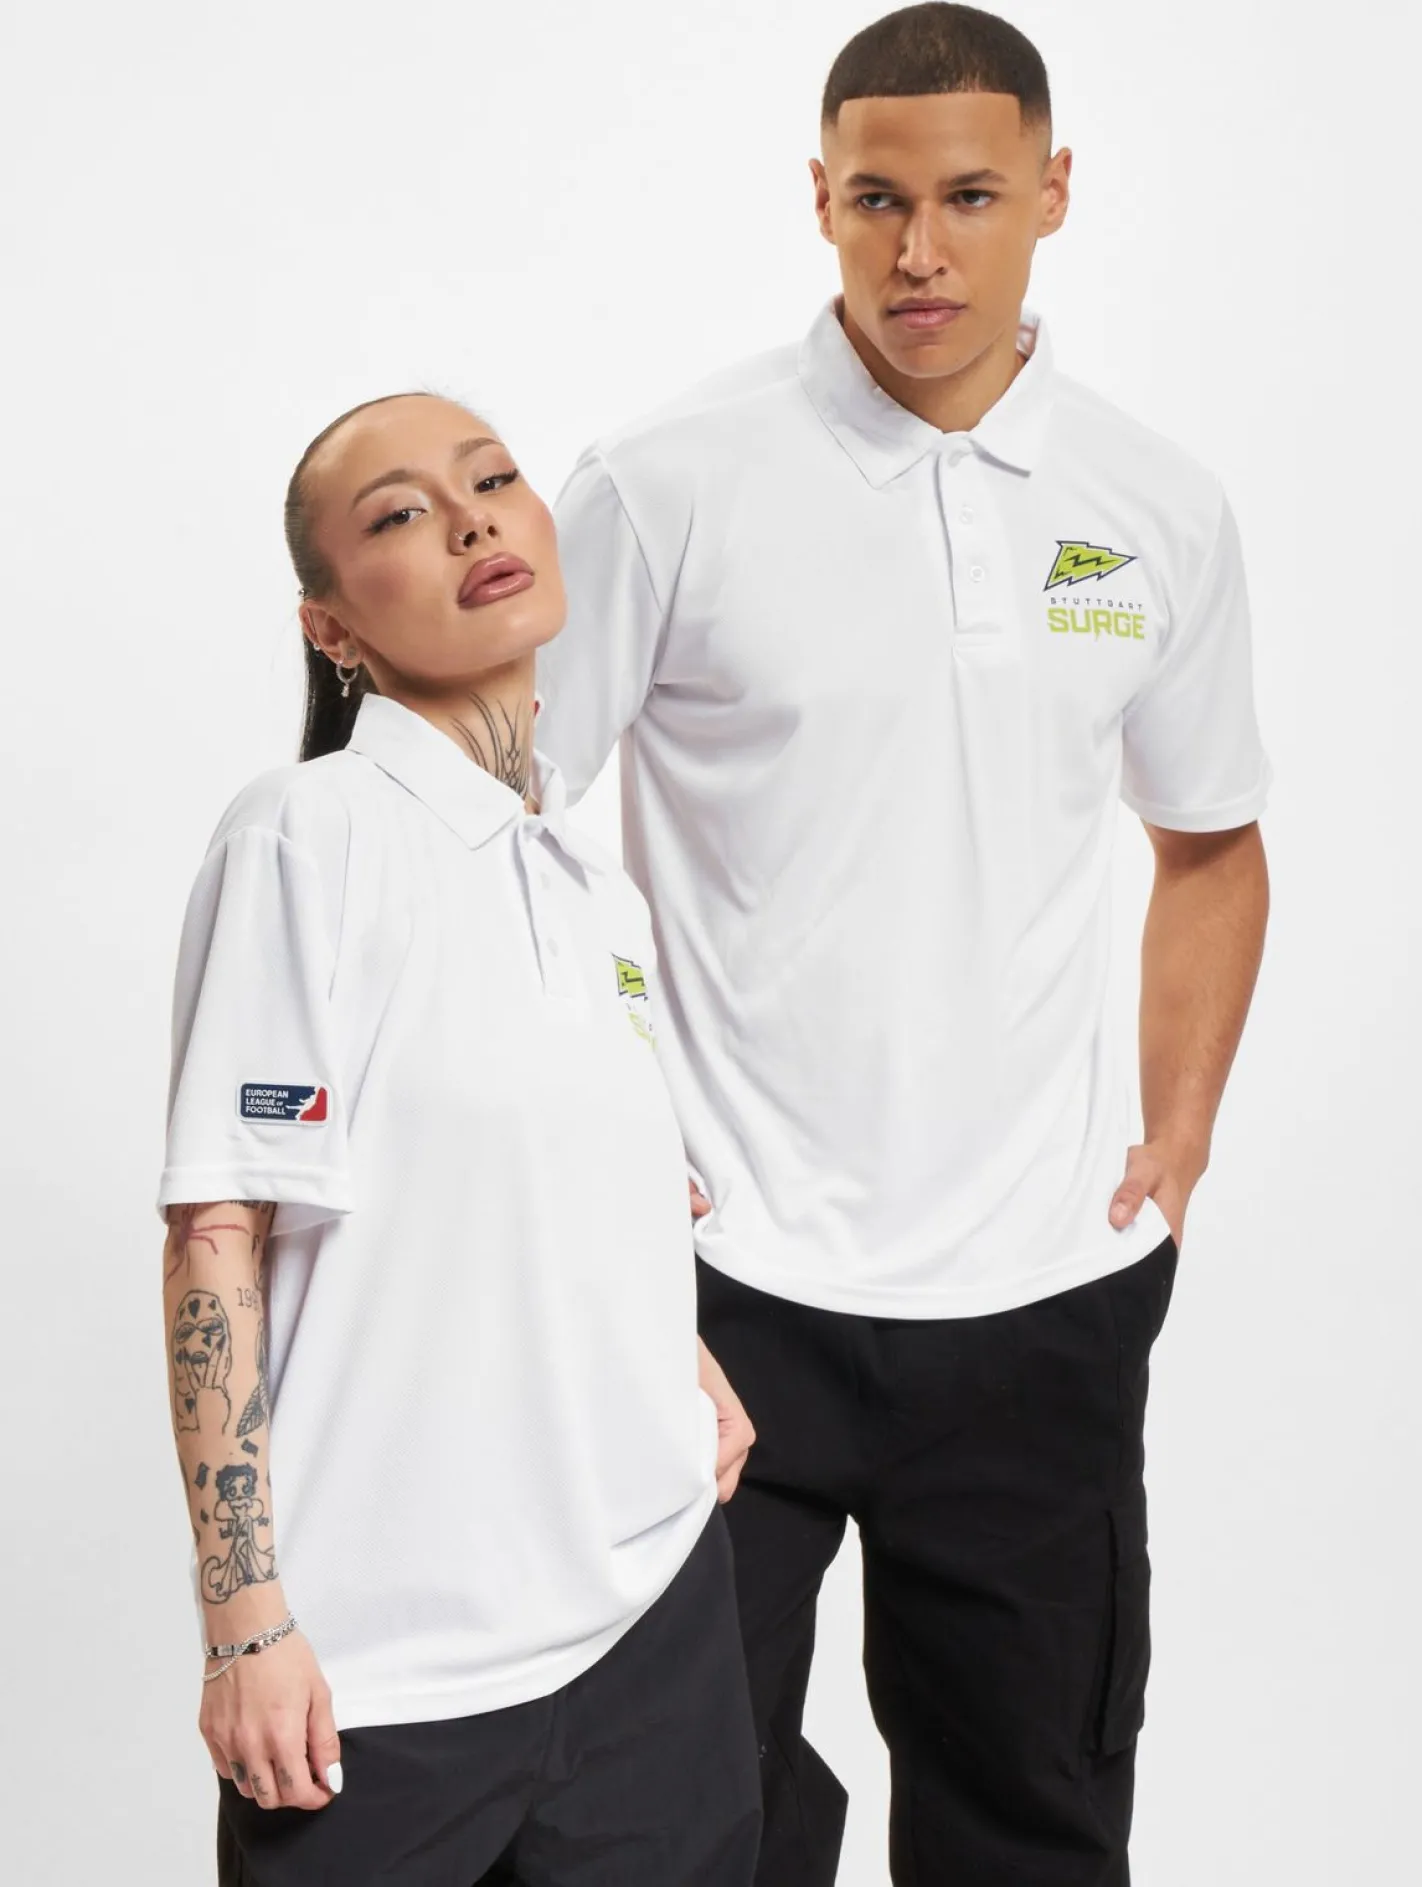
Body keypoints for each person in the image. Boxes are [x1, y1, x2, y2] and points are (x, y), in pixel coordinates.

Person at [537, 5, 1271, 1882]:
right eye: (876, 200)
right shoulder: (664, 479)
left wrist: (1177, 1141)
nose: (919, 251)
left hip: (1041, 1297)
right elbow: (490, 830)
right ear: (819, 199)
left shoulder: (1153, 506)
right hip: (718, 1294)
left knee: (1033, 1826)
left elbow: (1208, 842)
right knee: (681, 1833)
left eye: (967, 198)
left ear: (1052, 190)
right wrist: (605, 1136)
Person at [159, 391, 762, 1887]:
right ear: (330, 628)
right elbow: (219, 1231)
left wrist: (672, 1362)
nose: (472, 518)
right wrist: (244, 1624)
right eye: (401, 513)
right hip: (384, 1683)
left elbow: (539, 1188)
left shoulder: (591, 889)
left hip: (654, 1631)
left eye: (491, 479)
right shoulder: (305, 835)